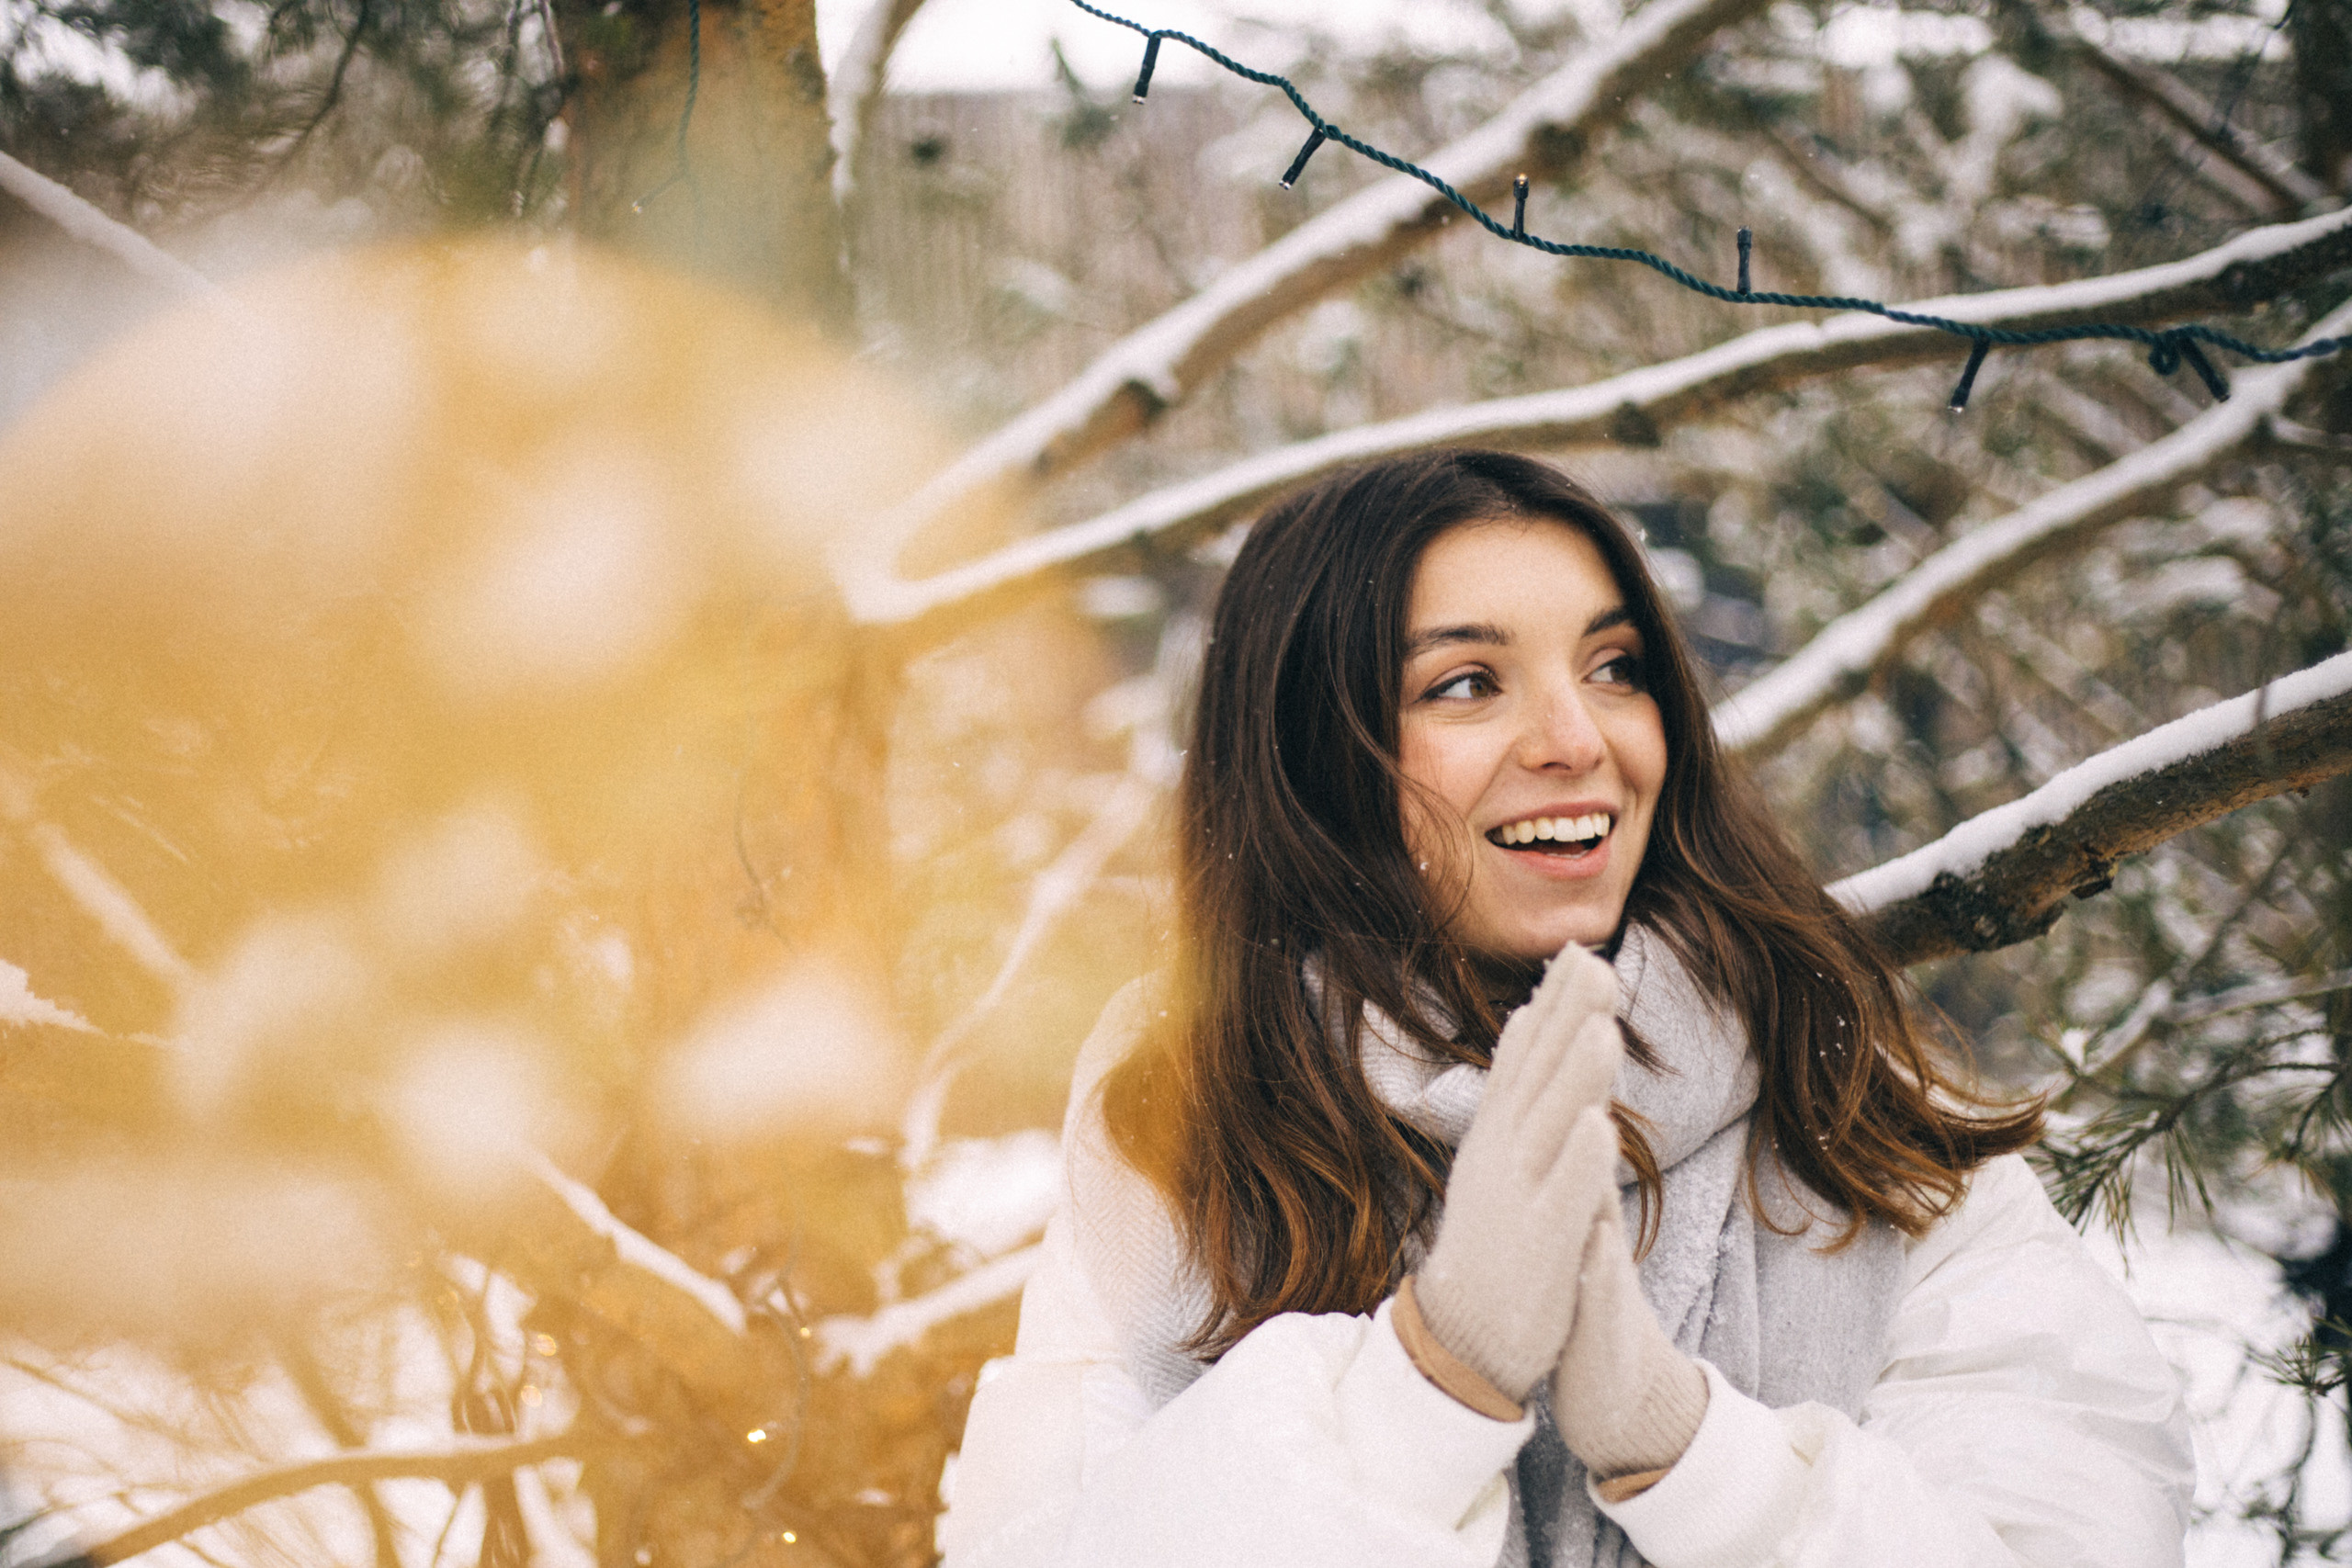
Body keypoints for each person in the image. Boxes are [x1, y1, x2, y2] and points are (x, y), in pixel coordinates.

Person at [939, 451, 2193, 1568]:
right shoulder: (1178, 1135)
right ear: (1309, 755)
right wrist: (1428, 1388)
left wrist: (1690, 1454)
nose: (1575, 737)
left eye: (1615, 668)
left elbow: (2078, 1529)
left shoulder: (1848, 1109)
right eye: (1466, 683)